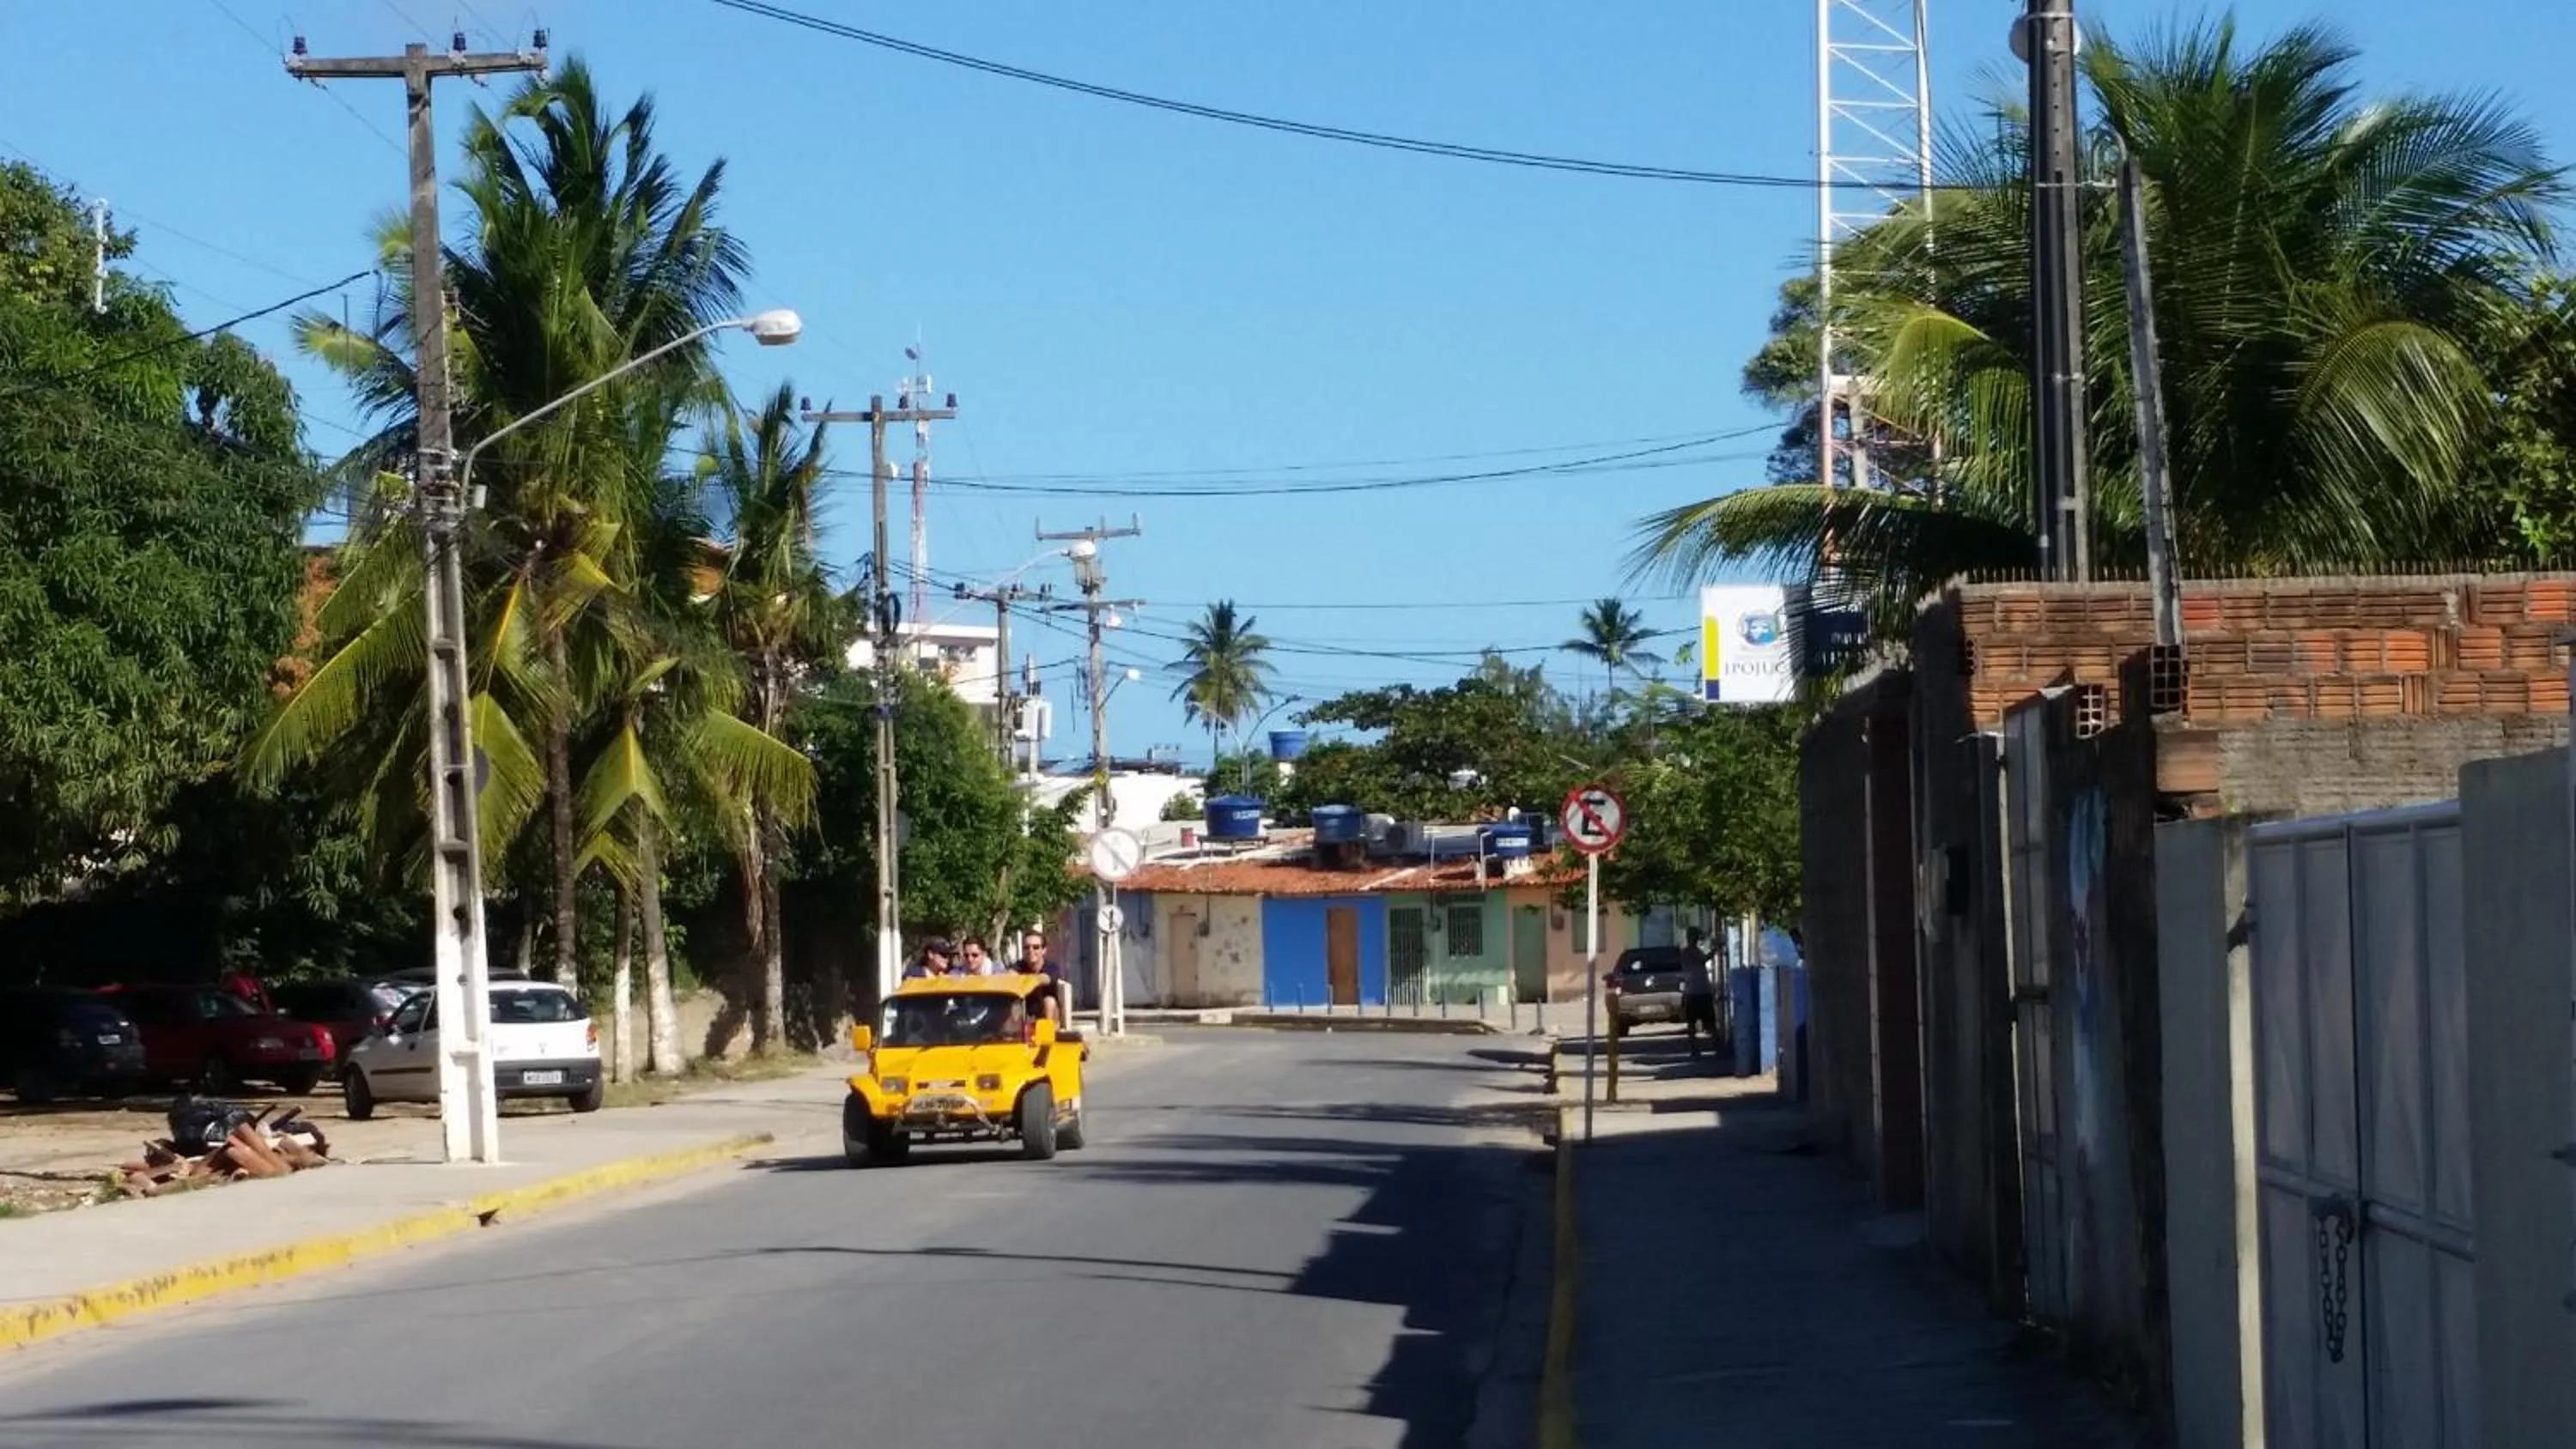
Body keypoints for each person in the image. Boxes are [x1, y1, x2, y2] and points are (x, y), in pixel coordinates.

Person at [1681, 928, 1721, 1059]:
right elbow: (1703, 959)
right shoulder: (1688, 952)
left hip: (1700, 990)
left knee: (1709, 1021)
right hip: (1694, 992)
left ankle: (1716, 1047)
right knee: (1694, 1023)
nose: (1693, 939)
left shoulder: (1693, 951)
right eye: (1692, 936)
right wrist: (1716, 949)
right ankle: (1695, 1048)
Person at [1018, 930, 1064, 1023]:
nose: (1031, 951)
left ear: (1044, 950)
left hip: (1047, 1014)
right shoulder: (1019, 966)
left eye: (1036, 947)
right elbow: (1009, 975)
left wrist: (1027, 980)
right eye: (1026, 947)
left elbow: (1045, 978)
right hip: (1026, 1012)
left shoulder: (1051, 967)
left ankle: (1047, 1035)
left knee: (1049, 1001)